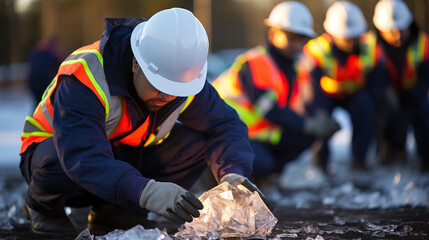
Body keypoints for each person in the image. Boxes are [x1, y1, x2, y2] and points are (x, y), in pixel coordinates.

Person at [19, 8, 272, 235]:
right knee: (57, 160)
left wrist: (233, 174)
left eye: (176, 89)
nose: (167, 96)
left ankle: (114, 211)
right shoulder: (86, 75)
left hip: (119, 158)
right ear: (135, 64)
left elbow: (225, 125)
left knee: (197, 141)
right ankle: (42, 206)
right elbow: (83, 156)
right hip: (56, 159)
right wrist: (146, 191)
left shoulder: (183, 80)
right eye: (159, 86)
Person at [212, 1, 340, 177]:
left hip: (259, 135)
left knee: (307, 136)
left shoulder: (290, 69)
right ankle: (223, 173)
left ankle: (266, 174)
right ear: (273, 34)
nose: (296, 45)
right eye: (291, 38)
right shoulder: (256, 62)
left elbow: (300, 105)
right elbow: (269, 110)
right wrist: (308, 124)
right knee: (265, 162)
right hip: (227, 135)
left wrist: (318, 118)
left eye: (300, 40)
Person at [297, 1, 389, 171]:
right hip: (323, 96)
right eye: (345, 37)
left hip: (356, 94)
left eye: (354, 36)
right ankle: (320, 162)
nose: (350, 41)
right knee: (320, 119)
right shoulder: (316, 50)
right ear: (331, 34)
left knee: (366, 107)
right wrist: (318, 112)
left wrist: (378, 107)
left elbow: (378, 83)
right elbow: (309, 89)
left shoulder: (371, 48)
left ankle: (359, 160)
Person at [373, 0, 429, 171]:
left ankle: (425, 158)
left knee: (423, 110)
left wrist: (415, 92)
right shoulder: (370, 45)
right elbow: (371, 77)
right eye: (390, 31)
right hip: (387, 96)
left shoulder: (423, 43)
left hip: (414, 93)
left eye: (401, 29)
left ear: (409, 25)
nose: (396, 35)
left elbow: (426, 76)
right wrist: (384, 91)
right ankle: (390, 153)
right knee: (382, 112)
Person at [26, 37, 66, 110]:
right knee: (48, 106)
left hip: (32, 82)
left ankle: (34, 119)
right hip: (45, 81)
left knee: (38, 105)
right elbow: (63, 65)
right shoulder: (53, 52)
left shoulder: (35, 50)